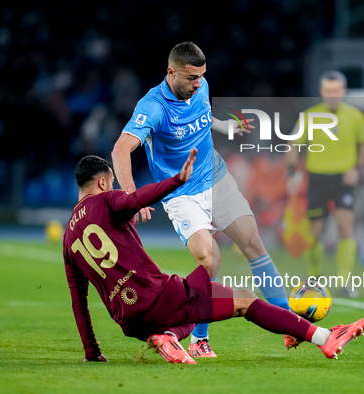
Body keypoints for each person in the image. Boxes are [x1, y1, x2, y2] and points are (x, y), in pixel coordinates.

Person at [62, 151, 364, 364]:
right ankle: (326, 338)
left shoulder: (67, 241)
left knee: (197, 303)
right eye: (112, 182)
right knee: (246, 299)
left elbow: (79, 302)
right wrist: (176, 181)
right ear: (102, 182)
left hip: (130, 322)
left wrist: (91, 351)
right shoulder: (106, 200)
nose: (113, 186)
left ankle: (169, 337)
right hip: (161, 297)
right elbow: (138, 198)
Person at [112, 42, 297, 356]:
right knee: (209, 259)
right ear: (171, 73)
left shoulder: (200, 85)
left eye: (201, 76)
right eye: (191, 78)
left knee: (253, 243)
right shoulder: (153, 107)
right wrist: (133, 196)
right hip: (181, 194)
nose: (198, 83)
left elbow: (203, 117)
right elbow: (120, 149)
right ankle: (198, 338)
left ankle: (291, 325)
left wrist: (225, 126)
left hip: (217, 178)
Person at [287, 71, 364, 297]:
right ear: (322, 92)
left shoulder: (355, 117)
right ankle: (314, 277)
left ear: (343, 92)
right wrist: (292, 171)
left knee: (346, 226)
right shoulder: (309, 116)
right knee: (315, 232)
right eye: (328, 91)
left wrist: (357, 169)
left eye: (336, 91)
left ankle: (344, 281)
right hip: (317, 179)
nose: (333, 95)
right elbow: (293, 145)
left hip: (344, 178)